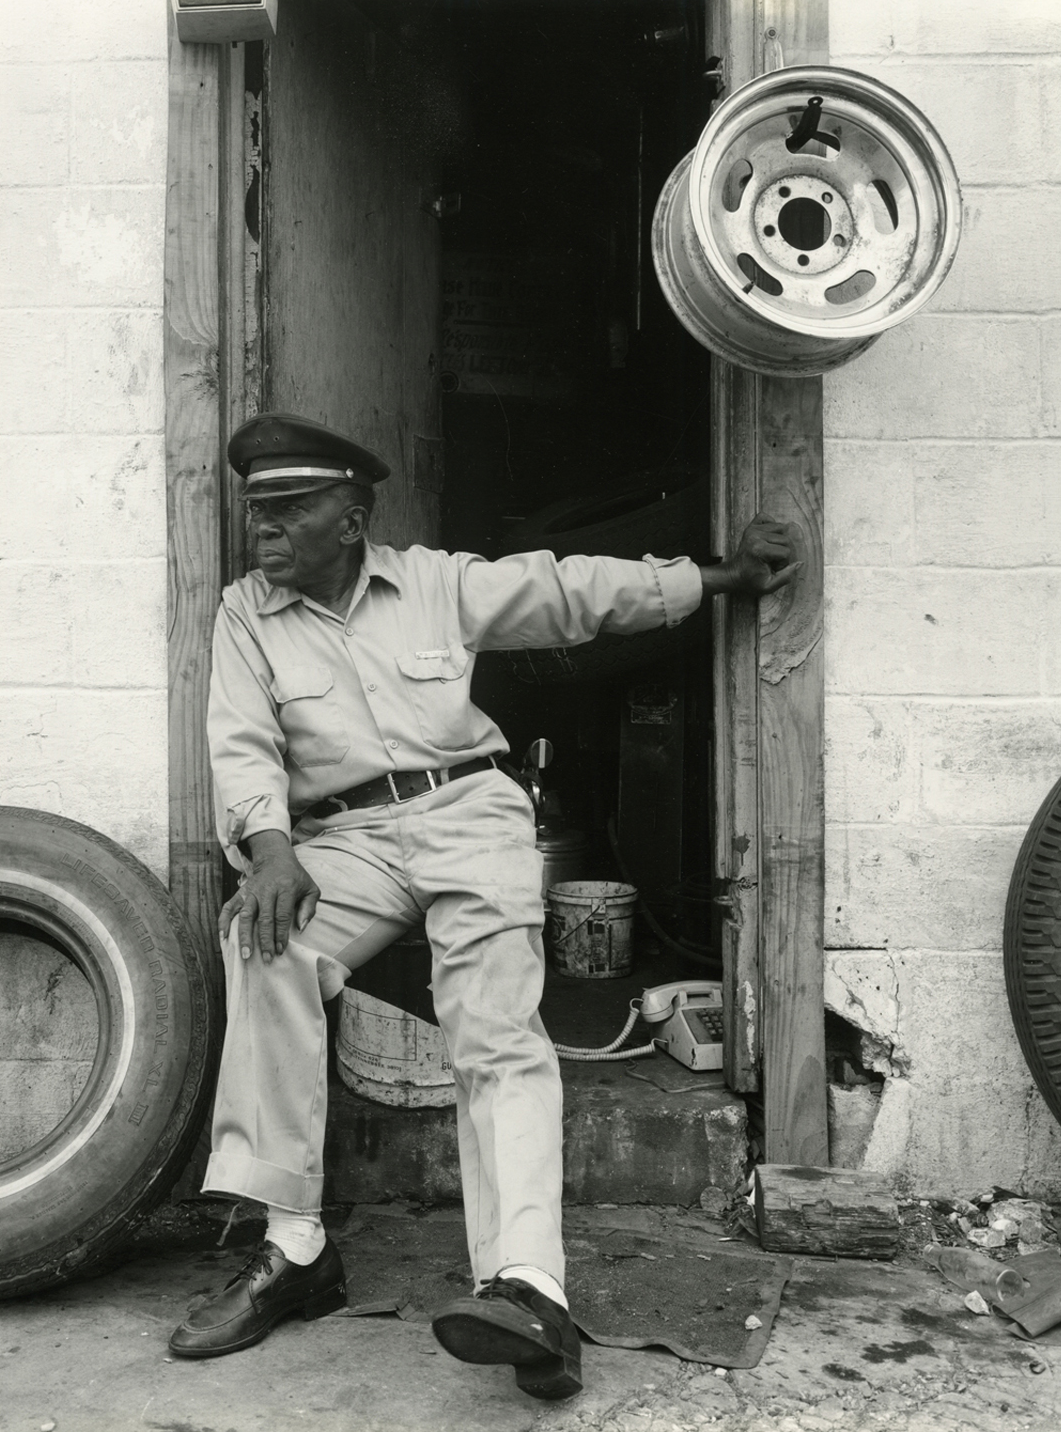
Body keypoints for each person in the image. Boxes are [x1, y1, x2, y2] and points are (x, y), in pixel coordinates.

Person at [168, 413, 799, 1397]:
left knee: (495, 1030)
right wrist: (273, 853)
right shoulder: (247, 612)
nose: (266, 528)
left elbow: (568, 590)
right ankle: (295, 1250)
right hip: (346, 839)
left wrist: (715, 579)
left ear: (352, 518)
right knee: (262, 940)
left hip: (469, 813)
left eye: (291, 509)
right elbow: (241, 745)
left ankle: (528, 1291)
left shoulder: (433, 583)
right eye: (258, 511)